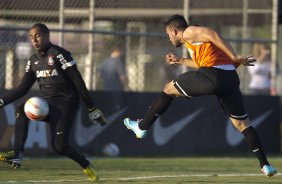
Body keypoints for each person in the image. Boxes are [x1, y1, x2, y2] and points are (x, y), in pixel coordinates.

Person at [123, 14, 277, 177]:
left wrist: (234, 56)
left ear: (174, 31)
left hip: (212, 75)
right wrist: (180, 60)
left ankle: (142, 127)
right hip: (230, 79)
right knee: (242, 125)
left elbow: (213, 34)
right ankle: (265, 165)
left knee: (168, 89)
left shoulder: (189, 31)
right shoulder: (198, 45)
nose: (169, 39)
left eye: (168, 35)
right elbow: (201, 63)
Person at [0, 23, 107, 182]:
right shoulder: (33, 60)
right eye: (31, 37)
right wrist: (2, 101)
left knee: (59, 147)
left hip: (66, 104)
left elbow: (78, 81)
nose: (34, 40)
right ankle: (17, 154)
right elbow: (22, 89)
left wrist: (91, 107)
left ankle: (85, 164)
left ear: (47, 36)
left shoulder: (58, 54)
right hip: (47, 104)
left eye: (38, 36)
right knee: (22, 108)